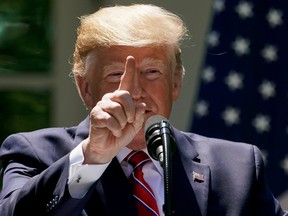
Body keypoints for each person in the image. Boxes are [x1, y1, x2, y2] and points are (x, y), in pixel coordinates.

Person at [0, 3, 286, 216]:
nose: (135, 91)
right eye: (116, 75)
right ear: (85, 88)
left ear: (175, 83)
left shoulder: (238, 166)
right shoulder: (36, 152)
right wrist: (94, 156)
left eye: (152, 72)